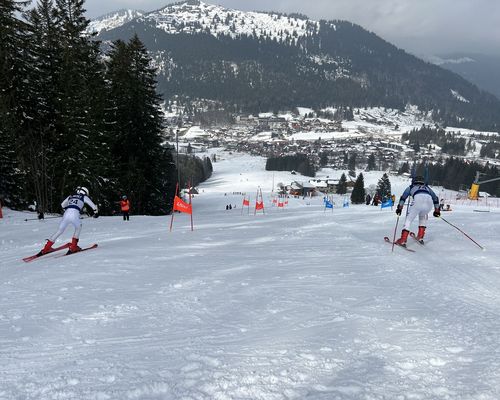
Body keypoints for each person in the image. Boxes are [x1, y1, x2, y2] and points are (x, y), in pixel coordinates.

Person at [39, 186, 98, 255]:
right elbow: (93, 206)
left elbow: (62, 205)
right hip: (75, 214)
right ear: (85, 192)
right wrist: (96, 213)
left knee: (60, 231)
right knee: (78, 228)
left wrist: (68, 210)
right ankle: (73, 247)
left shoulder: (71, 196)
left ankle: (46, 248)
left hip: (66, 214)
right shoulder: (83, 197)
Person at [395, 176, 440, 245]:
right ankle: (420, 237)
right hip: (429, 202)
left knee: (409, 219)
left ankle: (403, 239)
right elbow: (435, 198)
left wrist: (399, 208)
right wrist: (437, 210)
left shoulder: (411, 187)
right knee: (422, 217)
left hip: (418, 200)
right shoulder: (427, 187)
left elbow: (403, 198)